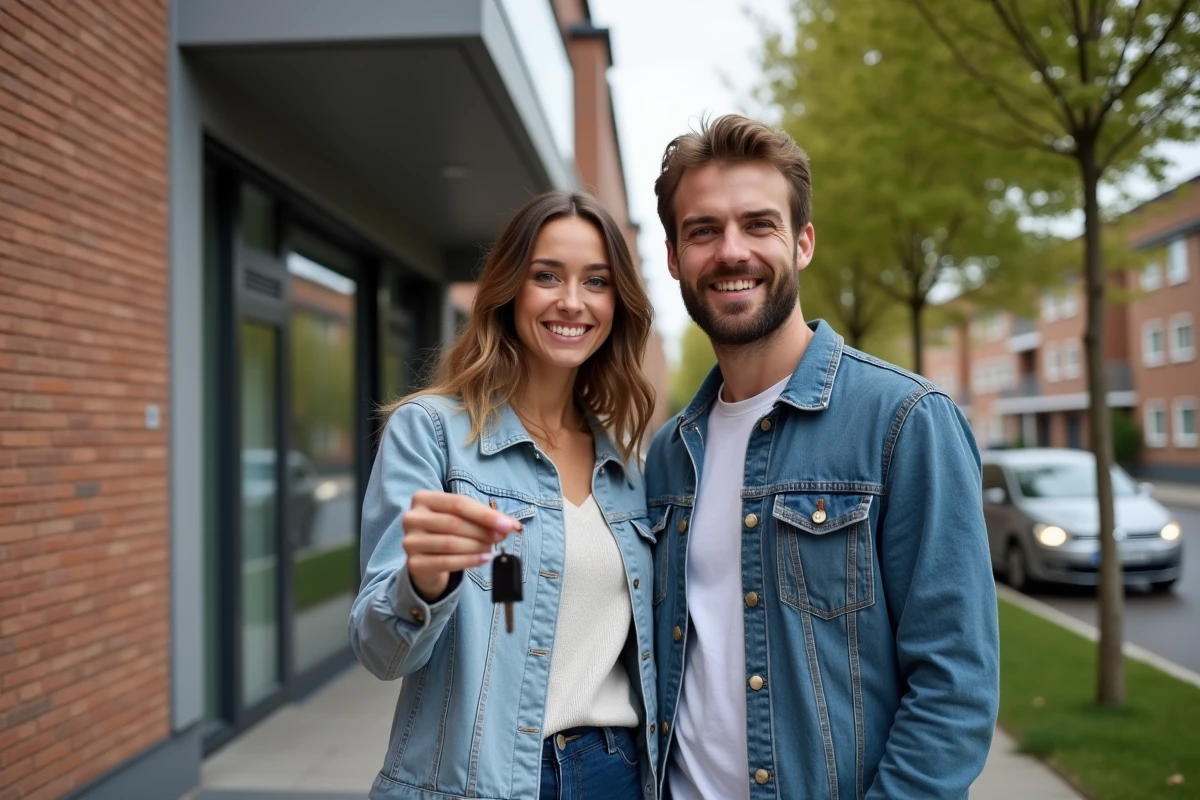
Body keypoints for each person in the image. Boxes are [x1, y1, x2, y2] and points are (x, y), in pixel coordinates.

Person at [645, 114, 1000, 799]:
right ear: (673, 258)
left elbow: (955, 688)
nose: (731, 251)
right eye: (703, 231)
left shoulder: (904, 422)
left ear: (802, 242)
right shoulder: (669, 456)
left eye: (759, 224)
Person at [350, 191, 661, 800]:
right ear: (509, 289)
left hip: (615, 774)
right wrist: (424, 581)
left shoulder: (628, 466)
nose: (572, 301)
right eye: (547, 275)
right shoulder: (432, 433)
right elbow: (379, 652)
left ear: (616, 304)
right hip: (476, 782)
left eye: (595, 281)